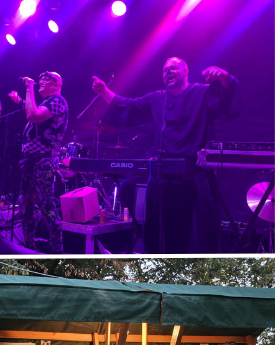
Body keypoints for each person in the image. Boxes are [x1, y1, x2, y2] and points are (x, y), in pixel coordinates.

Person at [92, 57, 240, 253]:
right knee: (150, 222)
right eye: (164, 70)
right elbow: (128, 106)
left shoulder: (201, 93)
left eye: (173, 68)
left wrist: (224, 77)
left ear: (186, 71)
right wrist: (104, 91)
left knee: (195, 237)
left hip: (193, 176)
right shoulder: (157, 98)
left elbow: (227, 101)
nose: (168, 72)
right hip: (163, 176)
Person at [7, 72, 68, 252]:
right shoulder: (47, 102)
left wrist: (28, 89)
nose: (41, 81)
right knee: (26, 204)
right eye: (41, 79)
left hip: (44, 161)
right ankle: (29, 247)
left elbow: (33, 115)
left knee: (46, 203)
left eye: (46, 79)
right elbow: (33, 110)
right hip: (31, 162)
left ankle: (58, 249)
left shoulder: (58, 101)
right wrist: (20, 100)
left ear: (57, 85)